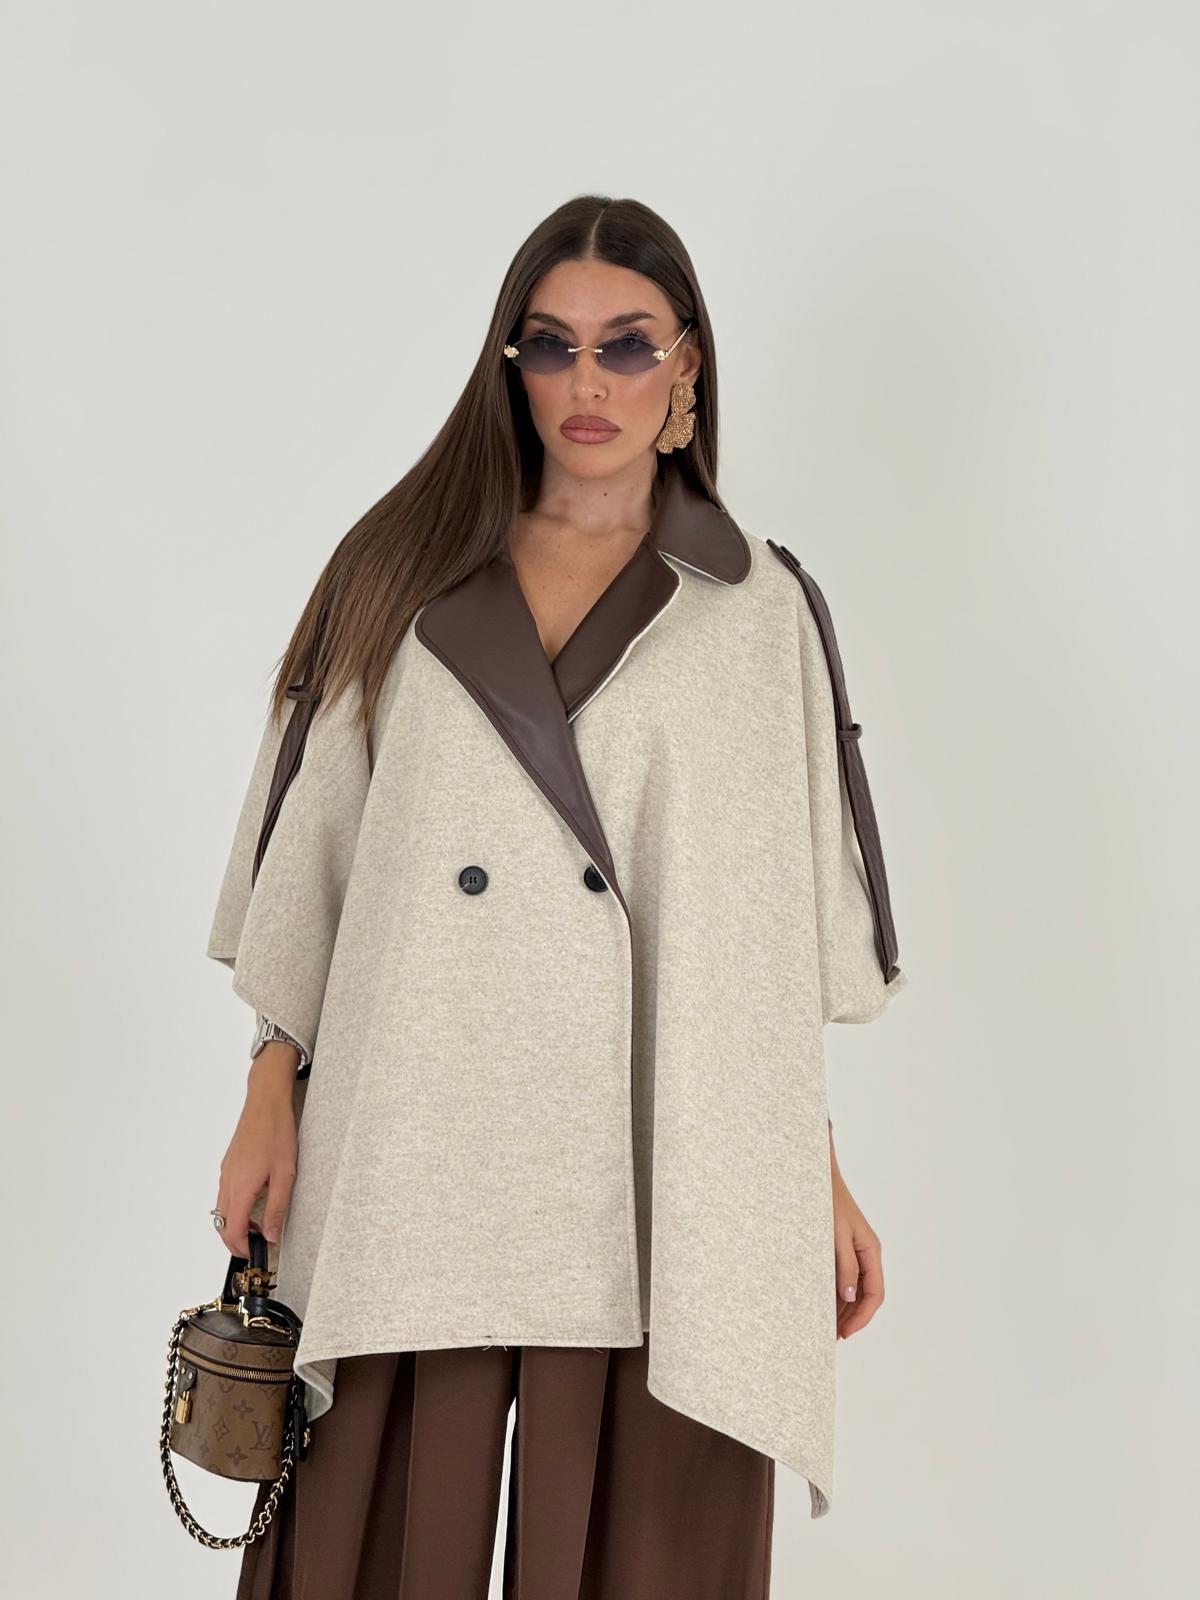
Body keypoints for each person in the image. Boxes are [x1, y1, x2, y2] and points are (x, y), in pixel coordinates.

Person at [205, 193, 908, 1599]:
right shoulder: (398, 573)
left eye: (628, 346)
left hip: (667, 1148)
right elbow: (311, 856)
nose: (590, 383)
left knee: (651, 1550)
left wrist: (810, 1169)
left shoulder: (760, 608)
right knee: (370, 1533)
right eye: (552, 345)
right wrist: (270, 1085)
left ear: (686, 367)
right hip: (422, 1127)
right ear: (511, 365)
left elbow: (759, 935)